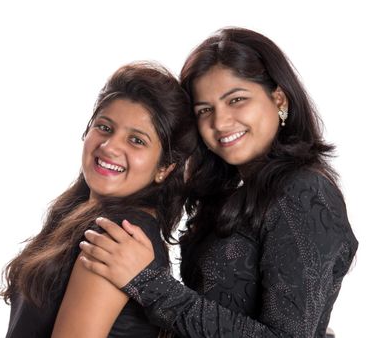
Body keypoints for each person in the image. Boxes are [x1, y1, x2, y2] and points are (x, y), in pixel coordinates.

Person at [78, 27, 359, 337]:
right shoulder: (233, 192)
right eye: (205, 110)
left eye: (236, 100)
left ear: (278, 97)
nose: (220, 122)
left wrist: (148, 282)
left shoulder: (304, 192)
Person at [0, 62, 197, 337]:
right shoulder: (81, 213)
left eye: (136, 141)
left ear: (165, 168)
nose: (110, 146)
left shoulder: (119, 234)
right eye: (104, 127)